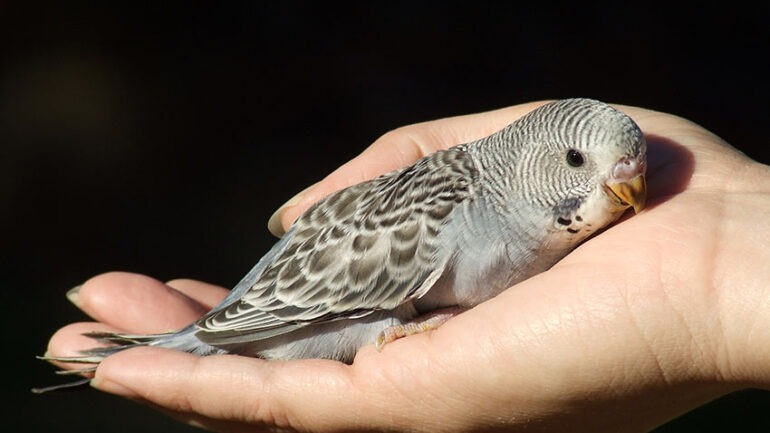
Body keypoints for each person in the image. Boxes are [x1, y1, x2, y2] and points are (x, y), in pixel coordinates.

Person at [45, 101, 770, 432]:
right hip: (300, 316)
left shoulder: (542, 212)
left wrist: (710, 286)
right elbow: (311, 295)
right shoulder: (449, 210)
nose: (624, 187)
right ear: (537, 158)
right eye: (582, 162)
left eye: (631, 171)